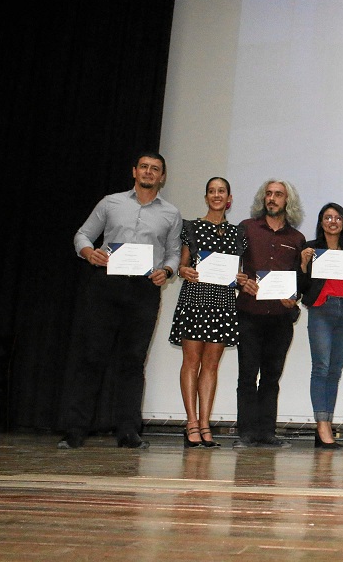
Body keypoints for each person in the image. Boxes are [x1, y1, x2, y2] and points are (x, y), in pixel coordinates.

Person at [60, 151, 182, 449]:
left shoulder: (171, 213)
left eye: (155, 169)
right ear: (134, 171)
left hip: (144, 291)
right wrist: (89, 253)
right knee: (91, 357)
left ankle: (128, 432)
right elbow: (83, 235)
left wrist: (167, 270)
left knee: (133, 361)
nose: (149, 173)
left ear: (162, 177)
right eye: (144, 167)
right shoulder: (110, 202)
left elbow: (174, 252)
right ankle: (76, 430)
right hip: (106, 285)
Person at [170, 176, 246, 448]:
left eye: (221, 191)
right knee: (192, 361)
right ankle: (191, 422)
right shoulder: (191, 227)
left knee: (211, 365)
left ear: (229, 199)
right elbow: (183, 265)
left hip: (223, 302)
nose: (216, 195)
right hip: (195, 298)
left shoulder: (239, 233)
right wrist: (183, 270)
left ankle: (205, 424)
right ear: (206, 198)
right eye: (211, 191)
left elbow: (239, 271)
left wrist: (241, 278)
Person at [233, 179, 305, 449]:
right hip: (249, 313)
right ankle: (246, 433)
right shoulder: (246, 228)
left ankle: (266, 433)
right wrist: (239, 280)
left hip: (280, 317)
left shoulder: (296, 239)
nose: (272, 199)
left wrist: (294, 297)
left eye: (278, 195)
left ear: (288, 201)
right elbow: (231, 264)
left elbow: (299, 278)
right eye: (269, 194)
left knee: (272, 377)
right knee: (247, 375)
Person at [298, 203, 343, 449]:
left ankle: (325, 423)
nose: (332, 221)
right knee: (321, 367)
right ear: (321, 222)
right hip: (321, 310)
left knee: (334, 372)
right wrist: (304, 264)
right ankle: (323, 425)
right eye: (328, 217)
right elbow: (303, 286)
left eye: (338, 217)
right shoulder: (311, 248)